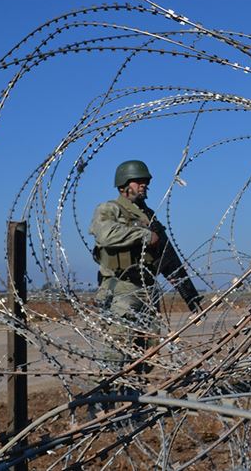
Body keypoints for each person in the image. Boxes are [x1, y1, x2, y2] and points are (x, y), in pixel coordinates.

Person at [89, 159, 202, 373]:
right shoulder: (110, 209)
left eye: (145, 181)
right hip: (122, 289)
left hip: (148, 291)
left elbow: (168, 260)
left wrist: (191, 298)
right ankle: (103, 402)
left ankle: (135, 396)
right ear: (124, 185)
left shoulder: (149, 215)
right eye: (137, 181)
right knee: (115, 353)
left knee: (146, 354)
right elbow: (105, 234)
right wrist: (143, 235)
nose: (143, 185)